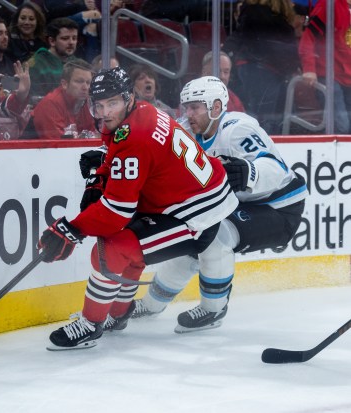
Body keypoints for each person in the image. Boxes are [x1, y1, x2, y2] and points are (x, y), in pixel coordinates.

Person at [36, 67, 239, 350]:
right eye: (99, 105)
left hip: (197, 215)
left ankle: (91, 325)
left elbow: (117, 211)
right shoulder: (142, 111)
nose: (105, 112)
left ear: (128, 98)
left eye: (112, 103)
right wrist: (102, 172)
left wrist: (71, 230)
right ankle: (118, 314)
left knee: (112, 249)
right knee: (129, 244)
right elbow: (127, 160)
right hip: (186, 199)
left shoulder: (136, 136)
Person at [130, 76, 307, 333]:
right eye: (186, 107)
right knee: (191, 237)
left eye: (195, 107)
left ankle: (214, 310)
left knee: (215, 237)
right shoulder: (186, 132)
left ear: (215, 107)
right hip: (240, 204)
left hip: (279, 207)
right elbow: (146, 147)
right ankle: (152, 304)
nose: (188, 113)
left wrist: (249, 171)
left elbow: (276, 169)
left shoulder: (238, 129)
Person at [223, 0, 300, 134]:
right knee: (264, 119)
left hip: (256, 68)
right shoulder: (264, 16)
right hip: (263, 70)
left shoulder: (255, 13)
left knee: (262, 117)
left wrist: (224, 52)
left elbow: (238, 36)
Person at [298, 0, 351, 134]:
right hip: (330, 76)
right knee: (342, 126)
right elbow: (308, 38)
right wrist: (309, 68)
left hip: (347, 77)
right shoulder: (330, 5)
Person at [31, 59, 96, 139]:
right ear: (64, 84)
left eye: (88, 82)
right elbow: (57, 145)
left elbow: (93, 135)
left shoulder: (85, 102)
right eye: (79, 81)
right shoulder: (50, 104)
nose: (85, 87)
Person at [28, 17, 79, 98]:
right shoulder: (36, 64)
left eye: (74, 38)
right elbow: (34, 99)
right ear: (52, 41)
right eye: (65, 38)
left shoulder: (79, 64)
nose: (71, 42)